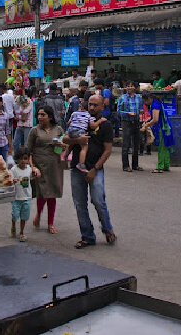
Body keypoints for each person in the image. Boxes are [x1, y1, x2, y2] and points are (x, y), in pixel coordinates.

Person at [62, 95, 116, 249]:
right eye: (90, 105)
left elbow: (107, 151)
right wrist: (76, 141)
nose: (92, 108)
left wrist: (95, 169)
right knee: (80, 203)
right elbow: (65, 138)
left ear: (102, 107)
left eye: (95, 105)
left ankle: (107, 228)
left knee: (98, 200)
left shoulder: (105, 125)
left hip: (95, 168)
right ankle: (87, 235)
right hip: (77, 168)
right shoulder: (80, 119)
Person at [27, 106, 64, 234]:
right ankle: (38, 214)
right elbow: (28, 151)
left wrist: (61, 146)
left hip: (54, 164)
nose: (40, 117)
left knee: (52, 193)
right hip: (39, 165)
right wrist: (32, 167)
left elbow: (65, 147)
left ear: (50, 116)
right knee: (42, 193)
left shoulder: (58, 130)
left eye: (43, 115)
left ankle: (50, 223)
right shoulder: (34, 131)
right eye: (39, 115)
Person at [64, 101, 106, 172]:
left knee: (71, 144)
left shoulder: (74, 113)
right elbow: (93, 126)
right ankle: (81, 164)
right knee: (84, 147)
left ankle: (65, 156)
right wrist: (100, 121)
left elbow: (69, 122)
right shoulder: (88, 115)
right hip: (80, 131)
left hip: (71, 129)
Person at [9, 146, 41, 243]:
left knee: (24, 216)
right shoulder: (13, 170)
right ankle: (13, 225)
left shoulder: (29, 170)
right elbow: (9, 180)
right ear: (17, 159)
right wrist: (13, 181)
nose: (23, 161)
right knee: (15, 215)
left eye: (25, 159)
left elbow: (36, 175)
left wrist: (37, 172)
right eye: (20, 159)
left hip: (27, 197)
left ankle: (22, 232)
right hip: (16, 197)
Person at [142, 93, 174, 173]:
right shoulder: (156, 103)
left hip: (162, 128)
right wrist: (148, 120)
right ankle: (166, 165)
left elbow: (155, 119)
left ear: (148, 99)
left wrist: (146, 126)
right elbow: (155, 116)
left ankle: (160, 167)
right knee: (165, 147)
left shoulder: (155, 105)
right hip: (166, 127)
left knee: (161, 148)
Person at [117, 81, 143, 172]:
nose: (130, 88)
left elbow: (141, 109)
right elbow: (119, 111)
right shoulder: (122, 98)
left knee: (136, 144)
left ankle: (135, 165)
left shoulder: (139, 98)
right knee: (126, 144)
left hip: (136, 121)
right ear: (126, 87)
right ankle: (125, 165)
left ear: (134, 88)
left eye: (132, 86)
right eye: (128, 86)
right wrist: (128, 113)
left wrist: (141, 113)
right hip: (126, 122)